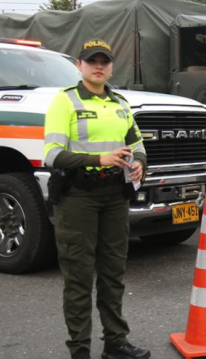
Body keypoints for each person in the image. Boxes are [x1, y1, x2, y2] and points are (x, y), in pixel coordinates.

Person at [44, 39, 151, 359]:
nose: (99, 66)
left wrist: (140, 164)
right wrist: (98, 159)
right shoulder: (65, 102)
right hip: (78, 198)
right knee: (78, 277)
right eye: (92, 61)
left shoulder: (119, 103)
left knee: (113, 273)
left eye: (104, 61)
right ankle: (79, 350)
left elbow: (138, 142)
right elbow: (52, 156)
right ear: (79, 65)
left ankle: (115, 343)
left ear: (111, 67)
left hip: (114, 197)